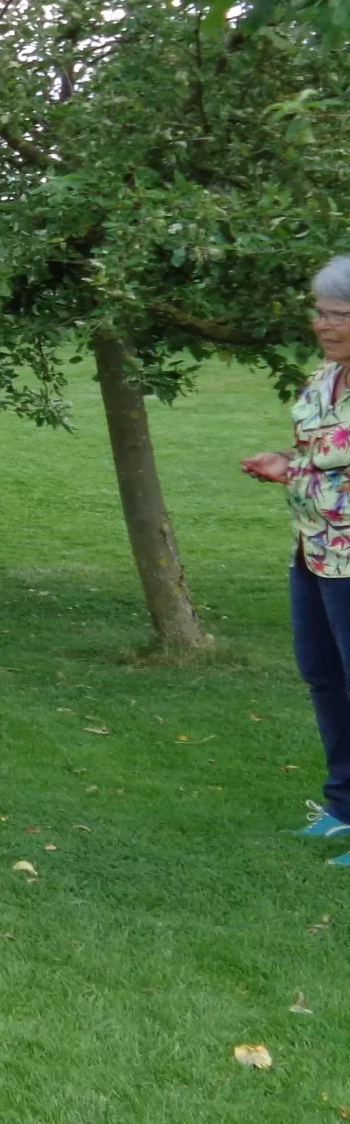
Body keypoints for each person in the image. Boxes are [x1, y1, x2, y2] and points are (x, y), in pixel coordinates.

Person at [243, 255, 350, 864]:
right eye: (320, 312)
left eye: (339, 314)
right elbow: (317, 448)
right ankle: (344, 806)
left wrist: (301, 465)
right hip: (314, 547)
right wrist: (283, 458)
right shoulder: (321, 378)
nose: (324, 324)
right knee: (323, 675)